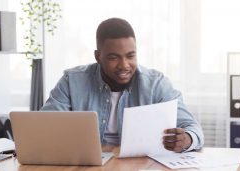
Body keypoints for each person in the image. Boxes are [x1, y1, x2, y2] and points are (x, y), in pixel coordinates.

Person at [41, 18, 204, 152]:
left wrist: (186, 139)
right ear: (98, 56)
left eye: (130, 56)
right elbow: (44, 125)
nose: (124, 65)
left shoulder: (156, 84)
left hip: (141, 165)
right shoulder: (72, 81)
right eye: (114, 57)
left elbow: (193, 128)